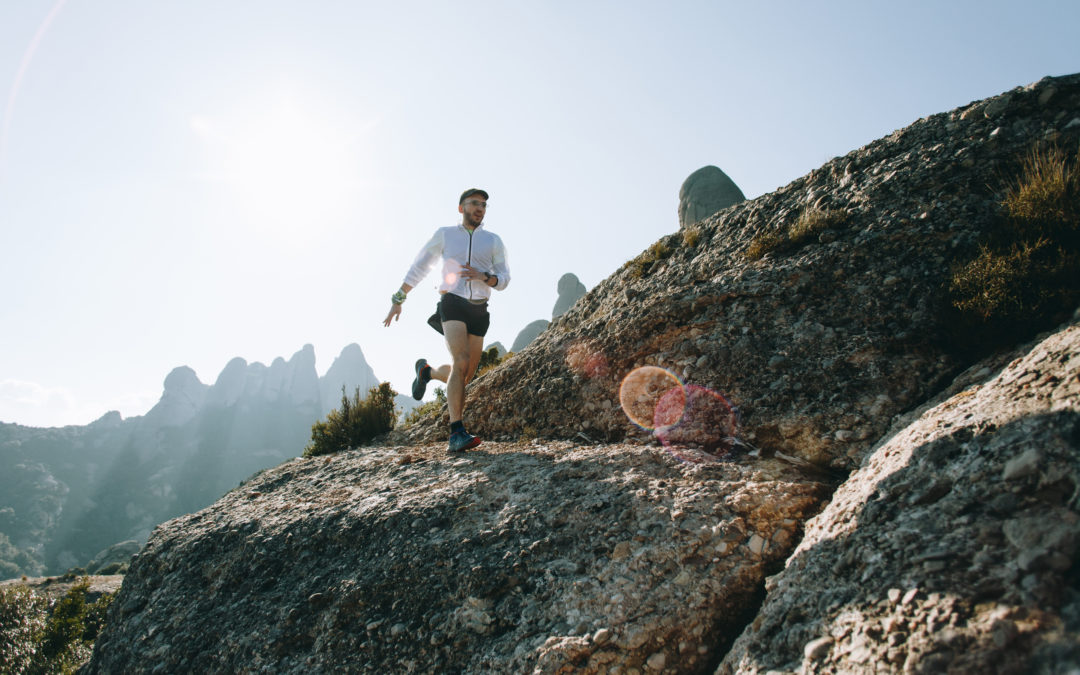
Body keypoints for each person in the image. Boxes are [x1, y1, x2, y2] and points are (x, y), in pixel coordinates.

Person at [383, 188, 510, 452]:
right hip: (452, 302)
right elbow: (420, 265)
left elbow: (504, 279)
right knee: (460, 360)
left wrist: (483, 277)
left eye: (484, 205)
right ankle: (456, 434)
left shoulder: (493, 240)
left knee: (464, 376)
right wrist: (399, 298)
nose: (480, 208)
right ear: (461, 207)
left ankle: (427, 373)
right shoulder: (446, 235)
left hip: (480, 309)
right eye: (474, 203)